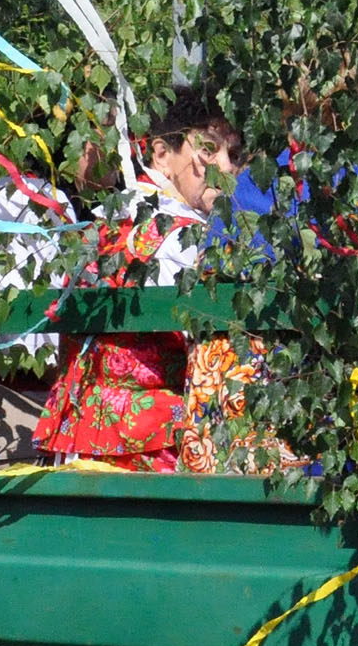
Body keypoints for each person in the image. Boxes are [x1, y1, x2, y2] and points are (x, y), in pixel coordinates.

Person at [33, 91, 245, 470]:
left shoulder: (105, 220)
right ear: (162, 154)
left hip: (76, 432)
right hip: (148, 443)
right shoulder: (183, 237)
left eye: (233, 154)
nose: (226, 166)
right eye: (208, 150)